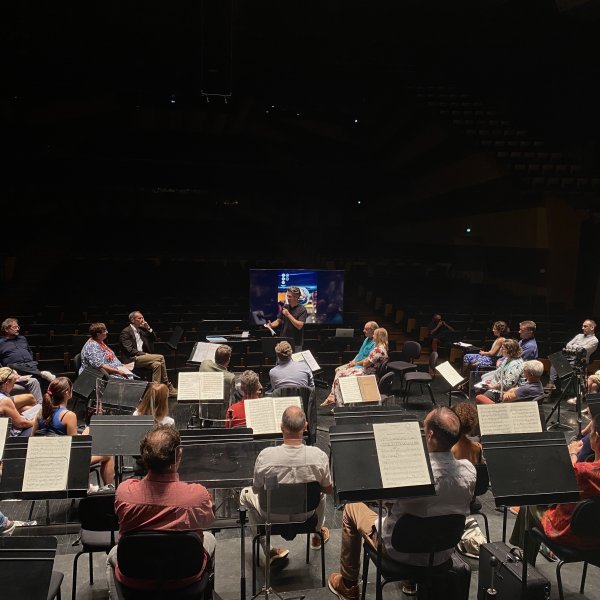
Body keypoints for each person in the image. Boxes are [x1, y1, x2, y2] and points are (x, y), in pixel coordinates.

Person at [328, 407, 476, 600]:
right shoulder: (470, 471)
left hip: (398, 551)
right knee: (421, 519)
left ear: (430, 434)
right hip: (441, 553)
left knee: (351, 509)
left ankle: (348, 585)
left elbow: (384, 502)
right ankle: (410, 582)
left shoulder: (412, 473)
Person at [107, 425, 215, 593]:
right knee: (210, 539)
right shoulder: (198, 495)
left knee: (113, 553)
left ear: (143, 456)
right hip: (184, 579)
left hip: (136, 578)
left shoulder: (124, 492)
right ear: (179, 454)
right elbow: (208, 521)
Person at [240, 406, 332, 564]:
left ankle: (267, 549)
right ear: (305, 427)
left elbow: (256, 488)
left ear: (281, 427)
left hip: (271, 515)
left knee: (244, 494)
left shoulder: (265, 456)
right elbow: (328, 489)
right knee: (320, 495)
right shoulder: (319, 456)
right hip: (306, 515)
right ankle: (316, 534)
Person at [510, 412, 600, 565]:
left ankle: (526, 564)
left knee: (530, 504)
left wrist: (572, 453)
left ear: (596, 438)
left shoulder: (583, 471)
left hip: (571, 535)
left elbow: (562, 482)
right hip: (596, 538)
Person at [31, 377, 115, 486]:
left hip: (46, 460)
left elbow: (32, 438)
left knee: (89, 432)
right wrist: (88, 434)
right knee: (108, 454)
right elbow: (76, 449)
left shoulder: (41, 412)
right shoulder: (68, 415)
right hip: (65, 461)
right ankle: (109, 490)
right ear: (67, 393)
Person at [322, 327, 389, 407]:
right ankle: (338, 401)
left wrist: (361, 362)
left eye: (374, 335)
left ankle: (340, 405)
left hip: (367, 374)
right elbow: (366, 361)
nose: (373, 337)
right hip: (369, 372)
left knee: (340, 377)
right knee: (340, 373)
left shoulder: (378, 350)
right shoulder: (383, 348)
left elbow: (365, 363)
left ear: (378, 336)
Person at [119, 311, 177, 396]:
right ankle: (167, 384)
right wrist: (143, 354)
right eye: (139, 318)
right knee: (160, 357)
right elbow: (129, 350)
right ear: (132, 320)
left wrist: (148, 328)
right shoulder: (126, 332)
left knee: (157, 364)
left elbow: (154, 339)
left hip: (142, 358)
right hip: (132, 359)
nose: (142, 320)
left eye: (142, 317)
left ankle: (154, 391)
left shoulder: (140, 331)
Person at [0, 317, 49, 403]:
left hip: (30, 366)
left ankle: (40, 405)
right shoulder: (1, 343)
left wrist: (29, 361)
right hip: (15, 371)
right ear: (6, 329)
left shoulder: (22, 339)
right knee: (12, 365)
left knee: (36, 378)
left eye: (18, 327)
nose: (17, 329)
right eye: (14, 327)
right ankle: (40, 373)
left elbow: (29, 351)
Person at [546, 319, 598, 392]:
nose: (582, 328)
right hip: (568, 358)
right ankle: (552, 385)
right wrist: (577, 347)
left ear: (592, 327)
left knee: (558, 366)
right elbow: (568, 345)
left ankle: (553, 386)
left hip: (579, 362)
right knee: (555, 359)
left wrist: (574, 346)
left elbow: (582, 350)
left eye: (585, 326)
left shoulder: (594, 340)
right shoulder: (579, 335)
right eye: (582, 326)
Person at [475, 339, 524, 404]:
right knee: (478, 391)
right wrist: (492, 380)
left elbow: (509, 383)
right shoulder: (507, 358)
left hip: (504, 392)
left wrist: (493, 386)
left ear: (509, 350)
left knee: (480, 399)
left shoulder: (515, 364)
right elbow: (500, 373)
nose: (500, 350)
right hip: (497, 386)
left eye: (503, 348)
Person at [265, 286, 308, 351]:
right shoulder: (285, 307)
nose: (287, 298)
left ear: (296, 297)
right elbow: (278, 320)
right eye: (287, 296)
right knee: (281, 360)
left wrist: (288, 315)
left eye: (290, 296)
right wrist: (271, 325)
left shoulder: (302, 309)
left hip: (296, 343)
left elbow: (299, 326)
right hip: (283, 342)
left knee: (295, 361)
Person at [0, 367, 40, 436]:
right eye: (13, 382)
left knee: (27, 409)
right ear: (7, 383)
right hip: (5, 435)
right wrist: (36, 422)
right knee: (40, 424)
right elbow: (21, 424)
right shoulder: (5, 401)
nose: (13, 386)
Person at [199, 344, 236, 408]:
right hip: (220, 411)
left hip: (203, 407)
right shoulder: (230, 377)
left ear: (215, 356)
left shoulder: (204, 364)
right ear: (228, 360)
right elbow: (231, 397)